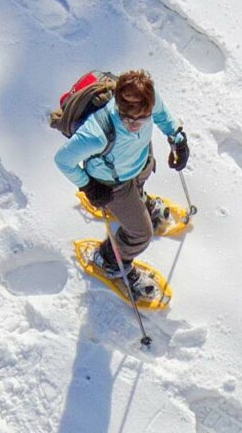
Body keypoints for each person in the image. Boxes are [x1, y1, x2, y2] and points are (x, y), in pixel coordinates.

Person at [54, 69, 189, 299]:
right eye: (127, 118)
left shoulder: (149, 98)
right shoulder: (96, 132)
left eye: (142, 118)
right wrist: (88, 185)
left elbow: (162, 114)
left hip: (139, 162)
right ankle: (111, 261)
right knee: (140, 234)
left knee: (141, 183)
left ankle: (140, 203)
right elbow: (63, 160)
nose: (134, 125)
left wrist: (177, 138)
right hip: (112, 183)